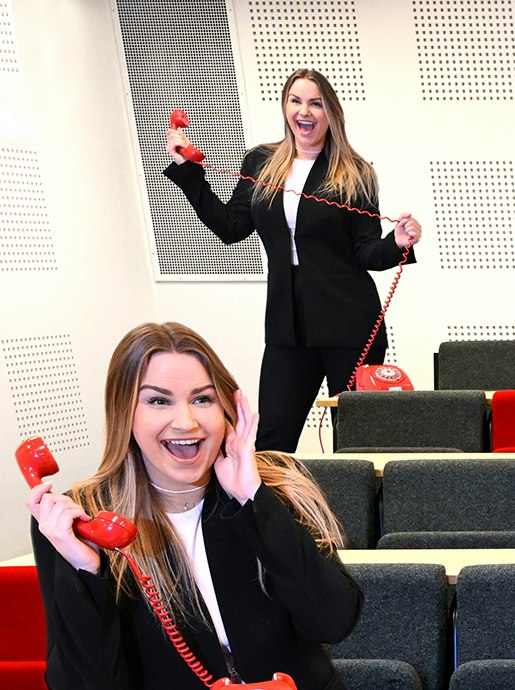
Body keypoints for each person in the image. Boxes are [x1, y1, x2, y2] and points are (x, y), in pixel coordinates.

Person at [24, 322, 362, 690]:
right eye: (158, 402)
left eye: (202, 399)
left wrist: (254, 501)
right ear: (123, 412)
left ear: (227, 408)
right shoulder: (82, 517)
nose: (186, 422)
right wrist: (86, 571)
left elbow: (333, 621)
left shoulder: (278, 484)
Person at [163, 68, 421, 453]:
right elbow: (232, 227)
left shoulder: (355, 172)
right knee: (271, 443)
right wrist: (189, 173)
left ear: (331, 112)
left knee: (359, 445)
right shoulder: (261, 163)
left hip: (350, 324)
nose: (305, 111)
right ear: (285, 108)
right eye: (296, 101)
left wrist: (397, 242)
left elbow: (365, 250)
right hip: (288, 324)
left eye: (316, 103)